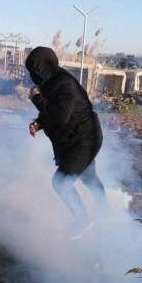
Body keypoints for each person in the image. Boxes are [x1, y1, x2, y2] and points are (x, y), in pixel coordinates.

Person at [25, 46, 105, 238]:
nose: (32, 76)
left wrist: (36, 99)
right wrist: (39, 123)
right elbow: (53, 112)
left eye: (35, 71)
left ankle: (84, 220)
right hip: (74, 141)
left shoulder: (64, 85)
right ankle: (105, 210)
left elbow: (60, 116)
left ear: (43, 68)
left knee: (60, 182)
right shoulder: (50, 82)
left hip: (84, 140)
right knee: (88, 177)